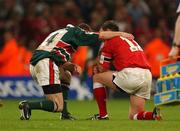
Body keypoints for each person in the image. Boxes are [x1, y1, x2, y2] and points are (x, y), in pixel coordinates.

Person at [18, 23, 134, 120]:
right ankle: (28, 105)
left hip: (35, 64)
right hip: (46, 63)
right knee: (57, 105)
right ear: (84, 31)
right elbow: (101, 35)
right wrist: (121, 33)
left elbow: (53, 53)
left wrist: (71, 66)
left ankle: (65, 114)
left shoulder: (60, 33)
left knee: (66, 76)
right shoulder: (77, 32)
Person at [88, 20, 161, 120]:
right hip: (147, 75)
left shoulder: (110, 41)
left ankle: (102, 115)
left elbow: (102, 69)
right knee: (134, 116)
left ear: (108, 31)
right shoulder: (130, 40)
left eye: (103, 32)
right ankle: (153, 115)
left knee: (97, 77)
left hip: (132, 74)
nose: (102, 37)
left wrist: (96, 66)